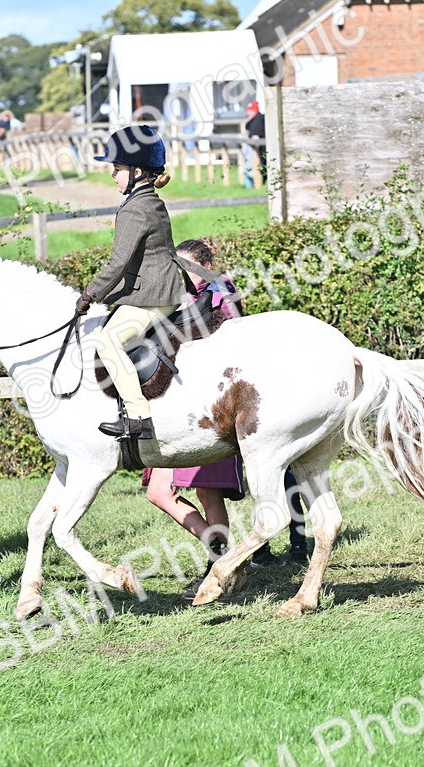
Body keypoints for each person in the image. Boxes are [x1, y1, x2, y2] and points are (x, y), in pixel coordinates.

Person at [141, 237, 245, 596]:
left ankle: (220, 566)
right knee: (158, 492)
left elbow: (236, 338)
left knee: (208, 493)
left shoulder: (219, 291)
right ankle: (225, 554)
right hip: (173, 405)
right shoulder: (171, 297)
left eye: (185, 266)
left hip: (209, 404)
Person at [74, 125, 190, 440]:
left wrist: (89, 294)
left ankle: (139, 417)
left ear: (137, 171)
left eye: (117, 168)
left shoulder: (134, 209)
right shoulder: (147, 198)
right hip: (161, 287)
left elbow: (118, 263)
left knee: (107, 341)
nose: (112, 175)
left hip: (154, 294)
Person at [243, 101, 267, 186]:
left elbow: (255, 137)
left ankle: (255, 185)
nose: (248, 112)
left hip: (259, 151)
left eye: (250, 110)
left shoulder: (257, 120)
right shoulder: (256, 119)